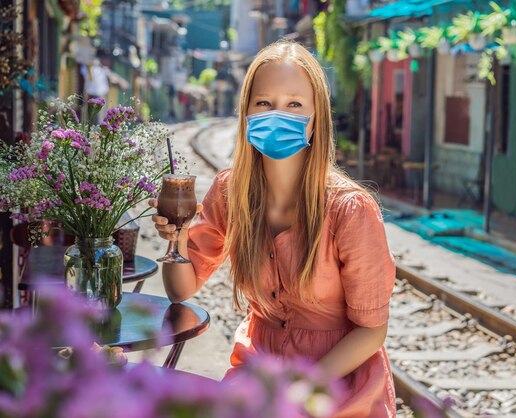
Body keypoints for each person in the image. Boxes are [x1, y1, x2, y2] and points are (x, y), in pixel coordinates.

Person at [150, 41, 397, 417]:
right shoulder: (231, 191)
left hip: (335, 386)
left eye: (294, 104)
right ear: (246, 112)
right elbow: (180, 290)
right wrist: (177, 241)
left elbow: (371, 331)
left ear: (317, 118)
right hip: (258, 374)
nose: (277, 114)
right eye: (264, 103)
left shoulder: (350, 209)